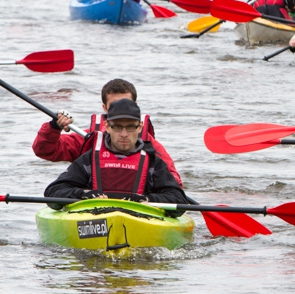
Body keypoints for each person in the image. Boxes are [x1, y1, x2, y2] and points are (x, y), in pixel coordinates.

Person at [33, 79, 183, 186]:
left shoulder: (150, 146)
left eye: (126, 104)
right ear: (105, 108)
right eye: (114, 106)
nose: (121, 109)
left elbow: (174, 181)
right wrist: (54, 127)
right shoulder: (88, 139)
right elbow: (45, 150)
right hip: (95, 204)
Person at [44, 99, 188, 204]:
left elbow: (178, 198)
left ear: (140, 127)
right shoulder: (89, 160)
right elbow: (53, 191)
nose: (124, 134)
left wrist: (147, 199)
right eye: (118, 127)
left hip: (139, 219)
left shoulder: (153, 162)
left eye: (130, 127)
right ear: (107, 126)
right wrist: (83, 194)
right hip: (96, 219)